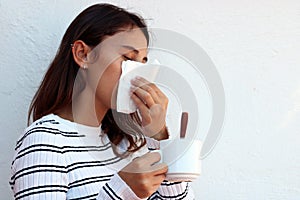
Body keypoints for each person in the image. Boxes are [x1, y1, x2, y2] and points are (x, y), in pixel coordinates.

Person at [10, 3, 195, 199]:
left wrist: (158, 135)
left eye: (142, 62)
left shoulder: (127, 143)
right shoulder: (44, 142)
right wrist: (122, 190)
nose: (138, 74)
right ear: (83, 54)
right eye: (127, 58)